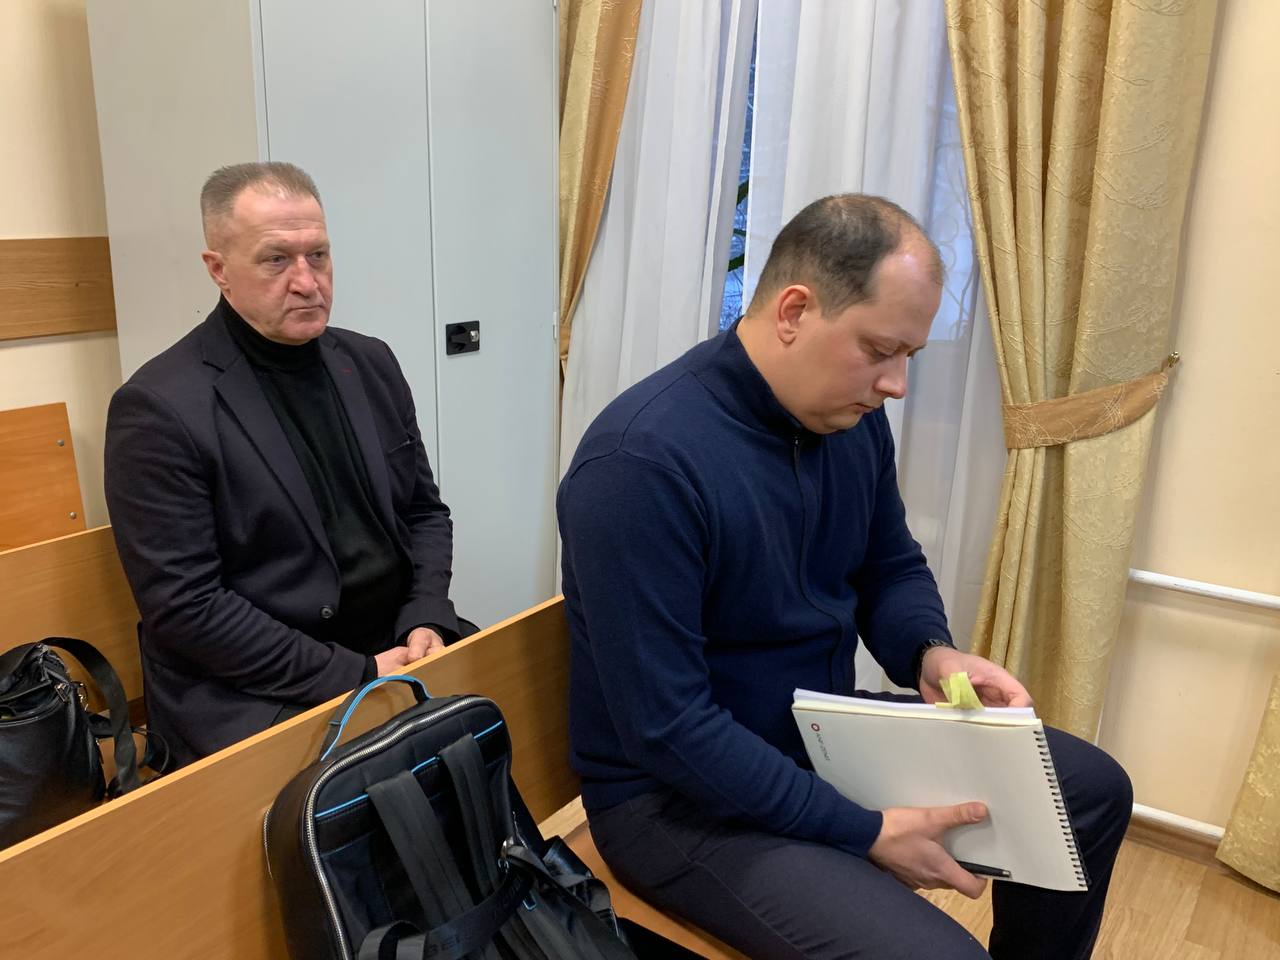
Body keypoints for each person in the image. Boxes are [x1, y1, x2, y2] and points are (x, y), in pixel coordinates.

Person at [557, 195, 1132, 959]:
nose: (895, 385)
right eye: (881, 350)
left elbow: (888, 565)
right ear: (795, 311)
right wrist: (864, 831)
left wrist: (931, 652)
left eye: (909, 356)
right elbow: (670, 730)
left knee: (1091, 790)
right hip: (677, 801)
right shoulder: (640, 464)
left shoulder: (847, 421)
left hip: (815, 734)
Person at [105, 162, 461, 768]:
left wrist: (426, 614)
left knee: (494, 728)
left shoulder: (370, 363)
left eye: (317, 255)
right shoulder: (159, 407)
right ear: (218, 269)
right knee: (380, 789)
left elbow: (424, 512)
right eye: (276, 260)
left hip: (393, 640)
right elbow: (187, 608)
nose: (306, 281)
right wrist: (355, 674)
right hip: (252, 682)